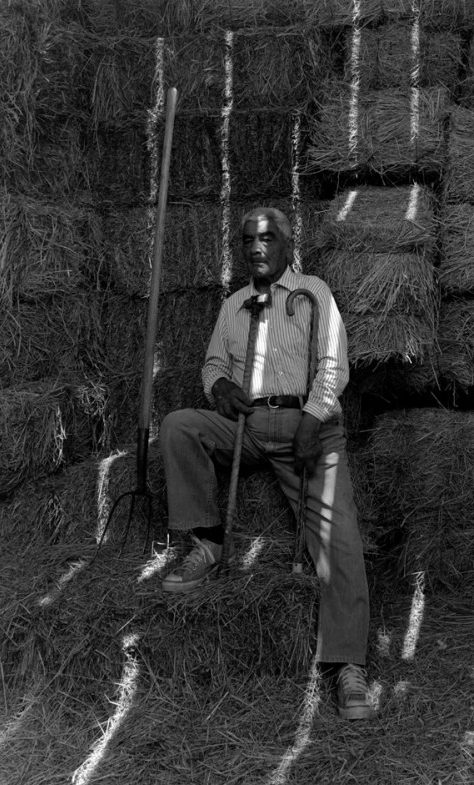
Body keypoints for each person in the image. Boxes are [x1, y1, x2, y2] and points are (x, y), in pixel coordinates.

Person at [158, 206, 372, 721]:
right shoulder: (234, 306)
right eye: (249, 239)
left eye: (268, 238)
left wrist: (312, 419)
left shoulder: (314, 294)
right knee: (179, 426)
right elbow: (212, 364)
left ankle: (347, 665)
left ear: (286, 245)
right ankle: (207, 544)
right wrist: (222, 386)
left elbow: (332, 367)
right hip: (249, 425)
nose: (257, 247)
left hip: (309, 427)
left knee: (337, 536)